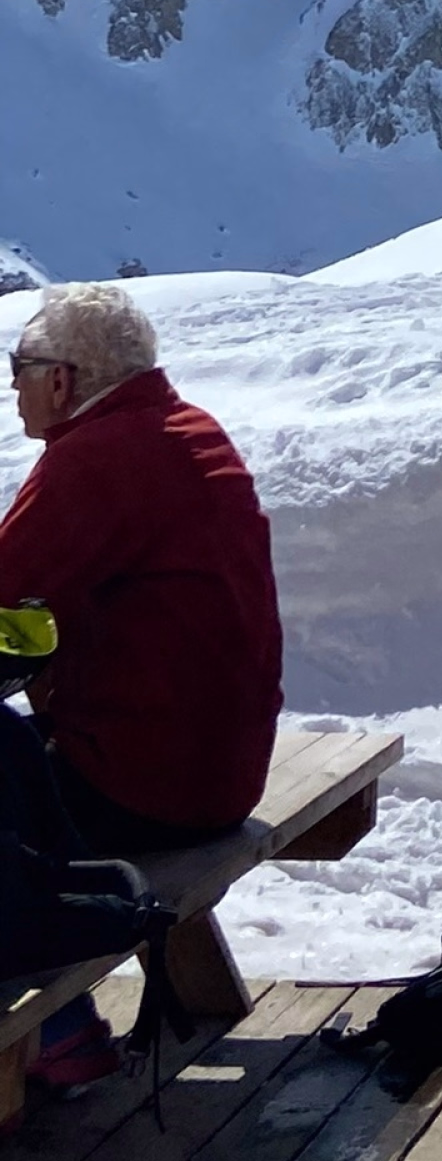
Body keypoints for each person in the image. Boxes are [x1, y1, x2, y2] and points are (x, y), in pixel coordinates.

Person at [0, 283, 282, 1086]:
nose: (12, 383)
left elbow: (4, 592)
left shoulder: (94, 459)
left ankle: (55, 1028)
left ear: (63, 379)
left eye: (18, 366)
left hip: (146, 784)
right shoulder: (183, 428)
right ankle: (64, 1023)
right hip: (220, 768)